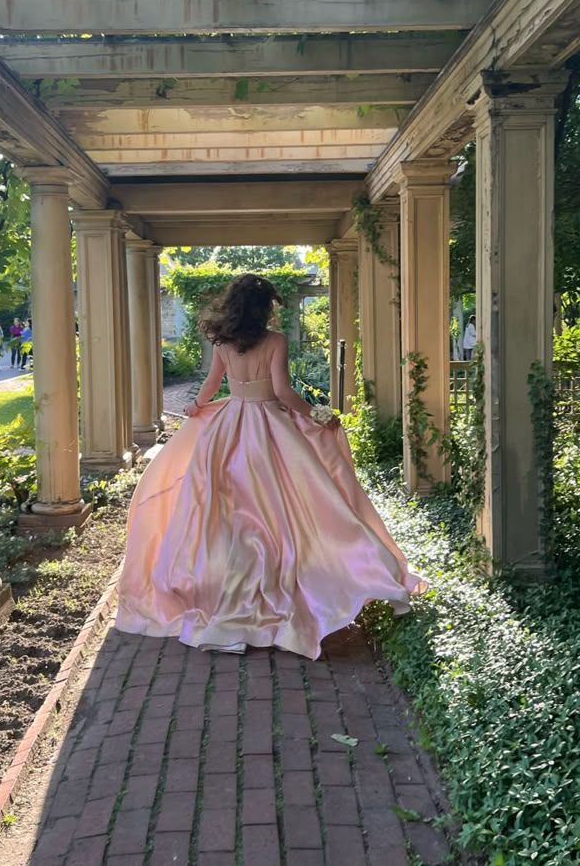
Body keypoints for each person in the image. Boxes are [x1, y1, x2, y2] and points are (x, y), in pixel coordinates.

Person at [115, 274, 426, 660]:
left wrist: (197, 405)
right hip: (269, 429)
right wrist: (315, 413)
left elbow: (212, 384)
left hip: (229, 429)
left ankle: (227, 589)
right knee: (283, 506)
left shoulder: (223, 342)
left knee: (226, 511)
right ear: (264, 309)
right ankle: (285, 579)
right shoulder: (275, 341)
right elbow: (281, 392)